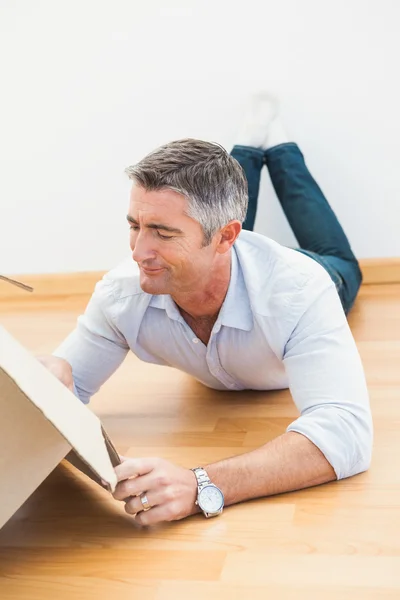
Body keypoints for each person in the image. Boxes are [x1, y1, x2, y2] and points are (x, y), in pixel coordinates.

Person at [40, 95, 372, 525]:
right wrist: (41, 387)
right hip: (225, 255)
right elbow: (65, 386)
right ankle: (247, 145)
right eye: (135, 226)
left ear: (226, 238)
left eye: (161, 232)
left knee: (339, 258)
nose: (139, 251)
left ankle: (276, 146)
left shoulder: (301, 292)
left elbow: (346, 434)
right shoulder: (122, 295)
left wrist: (201, 484)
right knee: (205, 221)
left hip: (325, 272)